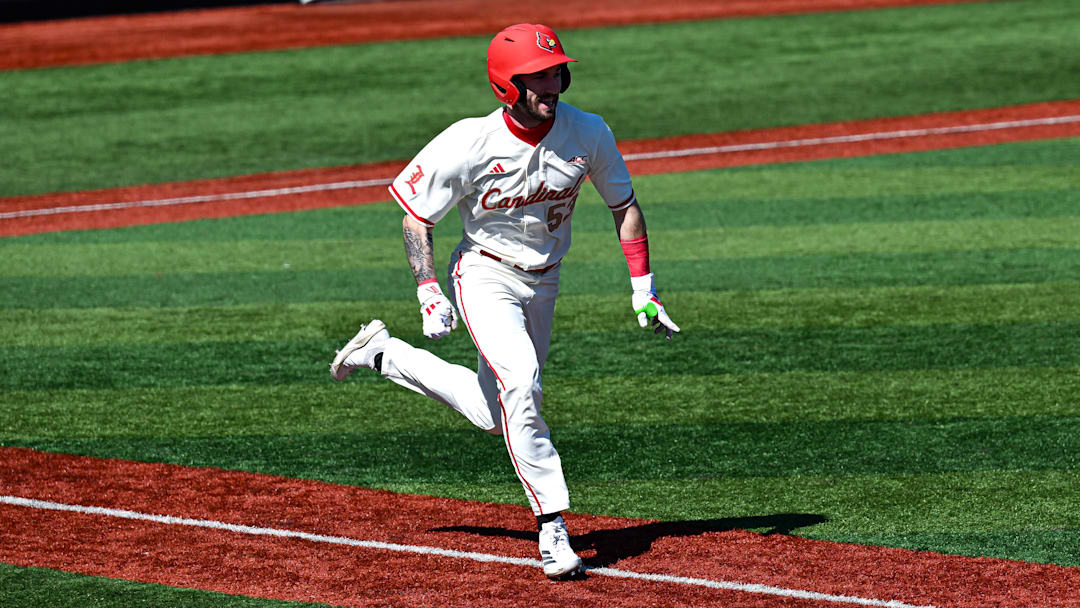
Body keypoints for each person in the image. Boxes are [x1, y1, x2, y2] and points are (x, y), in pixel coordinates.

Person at [330, 23, 679, 579]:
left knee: (496, 414)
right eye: (537, 77)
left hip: (546, 280)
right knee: (522, 380)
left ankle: (383, 354)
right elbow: (416, 217)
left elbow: (625, 207)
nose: (552, 85)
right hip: (484, 275)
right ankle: (552, 525)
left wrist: (644, 288)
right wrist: (428, 290)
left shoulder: (588, 132)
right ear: (506, 85)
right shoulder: (468, 142)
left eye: (556, 73)